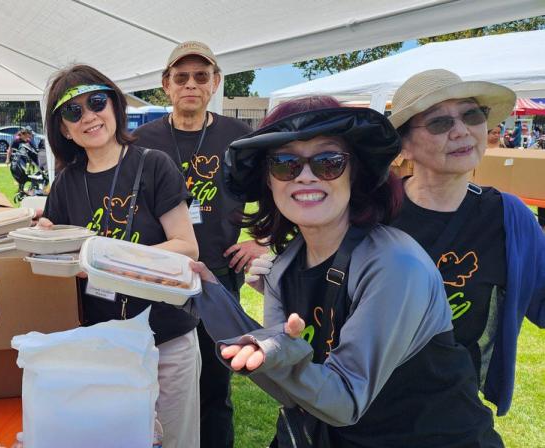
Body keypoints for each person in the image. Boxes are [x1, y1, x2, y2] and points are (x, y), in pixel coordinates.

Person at [191, 96, 502, 446]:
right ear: (269, 181)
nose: (306, 176)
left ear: (356, 172)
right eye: (285, 164)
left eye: (328, 162)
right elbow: (292, 389)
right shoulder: (284, 268)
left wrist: (281, 352)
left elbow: (343, 400)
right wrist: (207, 296)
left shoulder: (395, 264)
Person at [38, 64, 200, 448]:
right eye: (73, 112)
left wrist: (101, 258)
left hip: (167, 335)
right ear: (63, 129)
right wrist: (46, 242)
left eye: (96, 102)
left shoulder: (153, 164)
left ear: (113, 104)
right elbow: (58, 258)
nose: (88, 117)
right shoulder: (65, 184)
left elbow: (185, 245)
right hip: (103, 341)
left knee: (175, 440)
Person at [388, 69, 545, 417]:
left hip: (455, 409)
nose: (461, 131)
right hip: (367, 407)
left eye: (471, 115)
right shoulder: (375, 211)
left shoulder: (509, 216)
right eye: (439, 123)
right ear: (405, 144)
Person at [132, 40, 265, 448]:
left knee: (214, 381)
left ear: (215, 83)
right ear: (166, 85)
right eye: (181, 77)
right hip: (160, 275)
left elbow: (279, 191)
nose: (191, 84)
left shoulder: (239, 137)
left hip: (219, 277)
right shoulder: (141, 140)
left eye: (201, 76)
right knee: (155, 376)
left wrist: (263, 241)